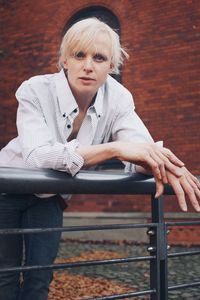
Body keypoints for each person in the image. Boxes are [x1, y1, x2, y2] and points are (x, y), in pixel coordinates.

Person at [0, 18, 199, 300]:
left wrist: (165, 164)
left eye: (100, 57)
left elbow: (140, 146)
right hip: (7, 187)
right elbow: (37, 156)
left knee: (39, 277)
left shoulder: (118, 98)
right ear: (65, 60)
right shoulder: (34, 89)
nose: (88, 65)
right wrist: (113, 149)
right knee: (4, 276)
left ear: (111, 67)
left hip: (49, 197)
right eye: (79, 55)